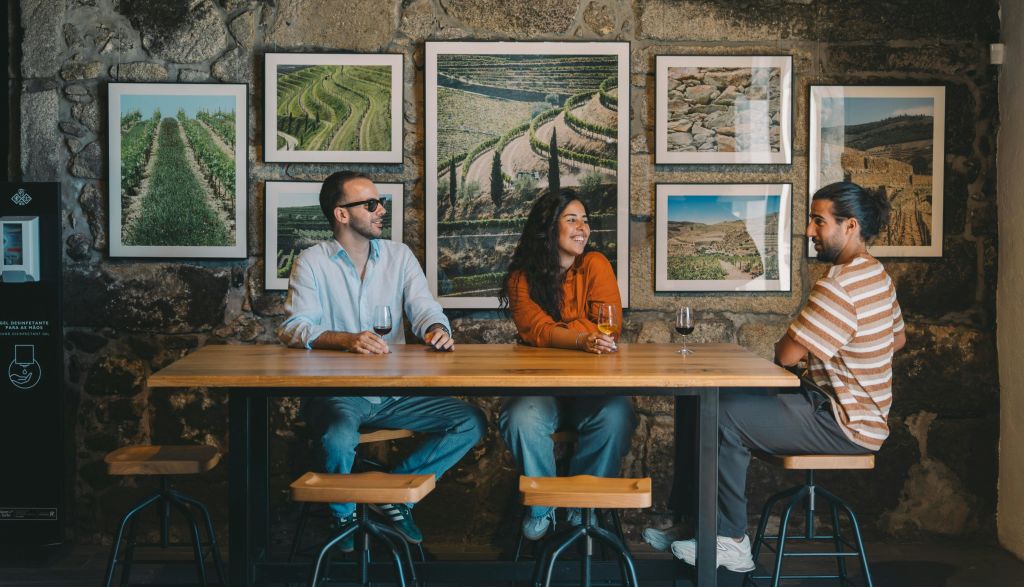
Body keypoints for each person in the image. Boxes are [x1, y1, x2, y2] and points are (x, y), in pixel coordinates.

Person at [665, 181, 906, 572]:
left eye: (818, 221)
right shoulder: (877, 275)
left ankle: (730, 541)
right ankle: (693, 525)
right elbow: (897, 338)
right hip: (850, 412)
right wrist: (847, 359)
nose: (809, 231)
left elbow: (786, 354)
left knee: (722, 415)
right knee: (703, 402)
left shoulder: (839, 285)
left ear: (850, 226)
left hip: (845, 423)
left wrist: (824, 355)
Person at [277, 170, 486, 548]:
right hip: (338, 393)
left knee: (470, 421)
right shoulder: (311, 262)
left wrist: (436, 328)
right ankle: (343, 518)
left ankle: (389, 493)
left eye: (381, 202)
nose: (381, 210)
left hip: (395, 392)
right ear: (342, 214)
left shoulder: (398, 255)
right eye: (371, 204)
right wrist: (345, 340)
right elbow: (294, 328)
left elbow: (423, 306)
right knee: (339, 436)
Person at [497, 188, 637, 540]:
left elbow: (610, 327)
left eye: (585, 220)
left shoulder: (596, 264)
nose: (582, 228)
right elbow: (536, 329)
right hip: (541, 388)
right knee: (520, 417)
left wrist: (557, 335)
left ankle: (581, 509)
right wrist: (581, 338)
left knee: (617, 415)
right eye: (571, 219)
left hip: (594, 387)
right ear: (548, 227)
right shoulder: (520, 279)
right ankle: (542, 506)